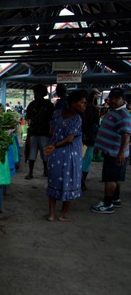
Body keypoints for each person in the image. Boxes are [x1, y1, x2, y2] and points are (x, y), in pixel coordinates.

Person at [44, 90, 87, 221]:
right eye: (83, 103)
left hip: (54, 154)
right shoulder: (77, 119)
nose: (85, 105)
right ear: (74, 103)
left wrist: (54, 144)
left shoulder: (57, 113)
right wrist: (57, 144)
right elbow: (69, 139)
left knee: (53, 182)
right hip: (70, 155)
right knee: (71, 183)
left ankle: (51, 214)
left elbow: (50, 131)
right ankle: (62, 215)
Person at [91, 88, 131, 214]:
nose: (112, 100)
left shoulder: (123, 114)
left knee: (110, 179)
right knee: (115, 178)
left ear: (123, 100)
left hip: (115, 153)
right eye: (111, 98)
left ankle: (107, 204)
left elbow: (126, 135)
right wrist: (99, 146)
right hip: (112, 152)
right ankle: (115, 199)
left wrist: (120, 153)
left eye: (116, 98)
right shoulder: (114, 111)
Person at [25, 84, 55, 179]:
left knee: (45, 153)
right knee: (32, 152)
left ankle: (46, 170)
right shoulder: (32, 104)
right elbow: (28, 117)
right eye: (34, 93)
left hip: (45, 133)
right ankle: (30, 172)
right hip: (34, 132)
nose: (35, 95)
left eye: (36, 93)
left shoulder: (49, 105)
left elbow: (52, 119)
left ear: (42, 93)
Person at [80, 89, 101, 190]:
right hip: (90, 138)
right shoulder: (94, 109)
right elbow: (96, 125)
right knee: (86, 160)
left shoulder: (81, 110)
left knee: (79, 159)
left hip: (81, 138)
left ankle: (79, 180)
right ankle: (82, 181)